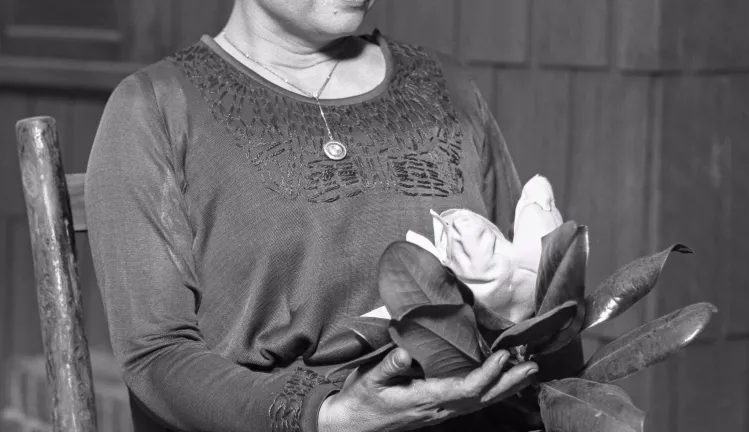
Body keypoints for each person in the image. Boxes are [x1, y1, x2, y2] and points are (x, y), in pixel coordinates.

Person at [85, 0, 581, 431]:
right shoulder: (157, 107)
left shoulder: (448, 86)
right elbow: (156, 355)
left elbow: (536, 301)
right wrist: (328, 418)